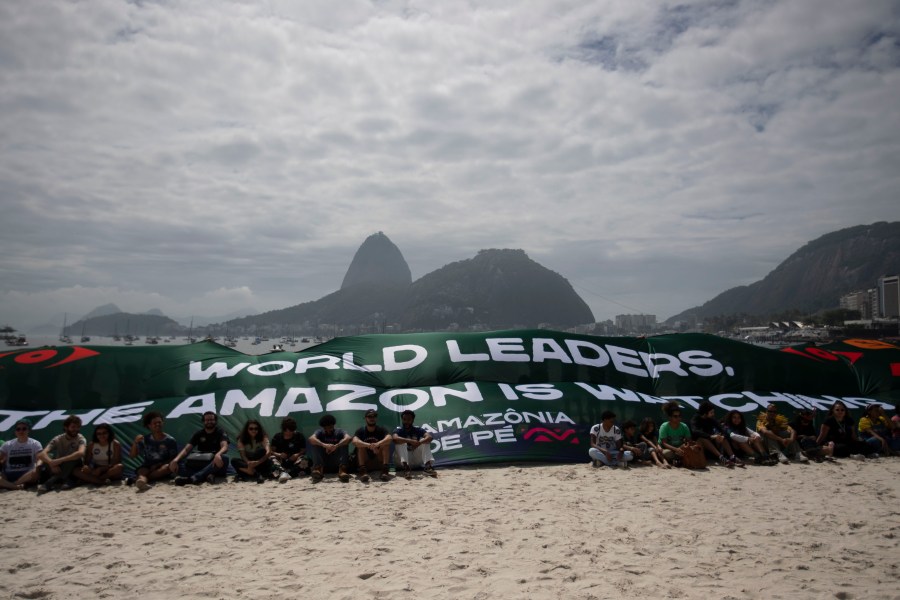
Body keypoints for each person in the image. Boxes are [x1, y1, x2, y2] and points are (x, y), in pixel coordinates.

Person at [171, 411, 231, 485]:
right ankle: (207, 475)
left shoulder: (221, 432)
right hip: (201, 462)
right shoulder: (199, 434)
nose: (209, 422)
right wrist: (175, 460)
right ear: (203, 421)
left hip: (215, 463)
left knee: (224, 458)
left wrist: (218, 454)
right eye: (207, 420)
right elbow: (186, 449)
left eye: (211, 420)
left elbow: (225, 446)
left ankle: (194, 478)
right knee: (178, 464)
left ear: (215, 421)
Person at [129, 411, 178, 492]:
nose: (158, 424)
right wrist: (135, 443)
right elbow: (132, 456)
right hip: (147, 466)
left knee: (166, 468)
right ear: (149, 425)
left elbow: (173, 459)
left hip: (161, 466)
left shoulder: (170, 440)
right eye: (155, 423)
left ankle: (139, 480)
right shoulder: (145, 439)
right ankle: (142, 482)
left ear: (163, 423)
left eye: (159, 422)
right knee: (142, 471)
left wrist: (158, 465)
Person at [37, 415, 87, 492]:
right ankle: (68, 480)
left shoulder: (80, 438)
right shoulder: (58, 439)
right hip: (59, 466)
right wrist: (51, 463)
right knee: (46, 458)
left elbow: (81, 453)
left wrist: (60, 460)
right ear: (66, 427)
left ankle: (51, 482)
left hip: (73, 464)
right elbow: (42, 453)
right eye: (73, 427)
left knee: (73, 459)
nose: (76, 429)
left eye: (78, 427)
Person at [690, 401, 739, 467]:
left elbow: (721, 428)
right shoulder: (695, 419)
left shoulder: (711, 419)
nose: (713, 414)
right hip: (701, 447)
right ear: (705, 413)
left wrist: (722, 436)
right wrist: (710, 436)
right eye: (711, 412)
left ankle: (732, 457)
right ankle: (722, 458)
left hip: (712, 446)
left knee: (721, 437)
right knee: (702, 439)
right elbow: (695, 431)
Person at [392, 409, 437, 478]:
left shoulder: (417, 429)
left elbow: (429, 437)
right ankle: (406, 468)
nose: (406, 421)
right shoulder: (399, 429)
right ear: (402, 419)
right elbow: (395, 439)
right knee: (401, 442)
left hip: (415, 460)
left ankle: (428, 467)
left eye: (409, 419)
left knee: (424, 440)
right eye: (404, 419)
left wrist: (419, 443)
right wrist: (410, 441)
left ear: (413, 420)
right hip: (401, 461)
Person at [0, 419, 42, 490]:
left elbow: (40, 458)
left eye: (24, 429)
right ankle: (15, 486)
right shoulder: (7, 445)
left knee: (36, 471)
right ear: (15, 431)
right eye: (18, 429)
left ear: (28, 430)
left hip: (27, 473)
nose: (21, 431)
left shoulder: (35, 443)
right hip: (9, 473)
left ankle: (13, 484)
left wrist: (38, 465)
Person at [351, 409, 392, 482]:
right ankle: (362, 472)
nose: (372, 418)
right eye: (369, 416)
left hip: (378, 461)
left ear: (376, 418)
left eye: (374, 416)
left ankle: (385, 470)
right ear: (365, 418)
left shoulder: (381, 429)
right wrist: (369, 445)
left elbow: (389, 438)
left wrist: (378, 444)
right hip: (366, 462)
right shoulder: (361, 430)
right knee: (360, 446)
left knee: (386, 444)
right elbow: (354, 441)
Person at [308, 414, 351, 482]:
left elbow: (348, 438)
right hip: (324, 463)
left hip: (337, 462)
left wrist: (336, 446)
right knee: (315, 443)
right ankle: (318, 469)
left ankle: (342, 470)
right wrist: (324, 445)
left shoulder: (339, 431)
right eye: (325, 428)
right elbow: (311, 439)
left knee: (344, 443)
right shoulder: (320, 432)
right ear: (323, 427)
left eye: (330, 427)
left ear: (333, 425)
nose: (328, 430)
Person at [270, 417, 309, 483]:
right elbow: (271, 451)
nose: (288, 432)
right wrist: (279, 454)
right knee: (271, 459)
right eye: (286, 430)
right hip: (281, 462)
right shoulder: (277, 436)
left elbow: (303, 450)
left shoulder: (299, 436)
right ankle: (285, 473)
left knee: (305, 459)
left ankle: (284, 473)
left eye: (291, 430)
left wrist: (297, 455)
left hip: (294, 462)